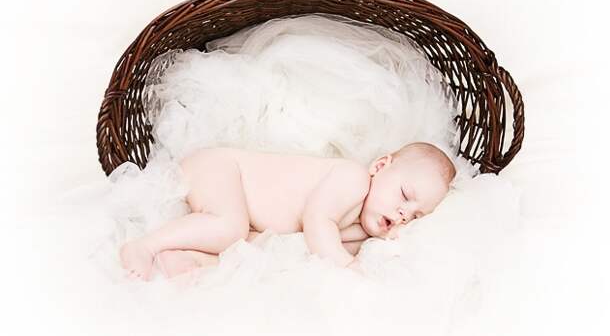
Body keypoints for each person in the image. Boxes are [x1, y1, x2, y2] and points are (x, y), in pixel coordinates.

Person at [119, 142, 456, 280]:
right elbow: (316, 222)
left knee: (255, 247)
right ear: (381, 166)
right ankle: (145, 245)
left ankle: (189, 257)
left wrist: (379, 245)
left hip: (247, 211)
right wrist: (347, 266)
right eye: (404, 195)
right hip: (220, 167)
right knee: (231, 227)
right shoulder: (353, 179)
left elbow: (304, 251)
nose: (402, 213)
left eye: (413, 216)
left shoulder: (361, 230)